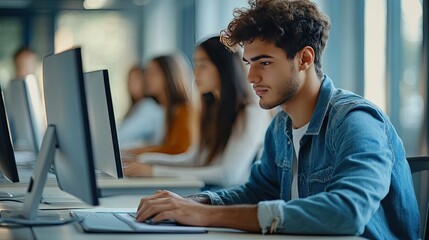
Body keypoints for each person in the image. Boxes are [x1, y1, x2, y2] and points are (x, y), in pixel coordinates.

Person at [133, 0, 419, 239]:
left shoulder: (355, 121)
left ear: (305, 59)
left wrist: (204, 214)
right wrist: (196, 202)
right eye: (249, 62)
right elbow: (259, 190)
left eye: (264, 63)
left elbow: (348, 211)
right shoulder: (280, 126)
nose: (250, 77)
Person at [122, 36, 271, 189]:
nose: (195, 73)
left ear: (223, 67)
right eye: (195, 65)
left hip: (230, 197)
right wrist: (145, 160)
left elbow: (227, 174)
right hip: (210, 192)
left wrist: (153, 171)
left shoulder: (251, 112)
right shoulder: (212, 109)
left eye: (202, 65)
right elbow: (194, 159)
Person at [123, 53, 197, 157]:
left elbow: (180, 150)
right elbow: (166, 147)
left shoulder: (184, 110)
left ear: (169, 75)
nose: (147, 78)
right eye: (147, 73)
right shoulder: (165, 110)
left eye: (153, 73)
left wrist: (140, 152)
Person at [117, 65, 165, 148]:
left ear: (145, 81)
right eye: (129, 80)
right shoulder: (135, 108)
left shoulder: (149, 107)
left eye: (136, 79)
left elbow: (123, 134)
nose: (131, 84)